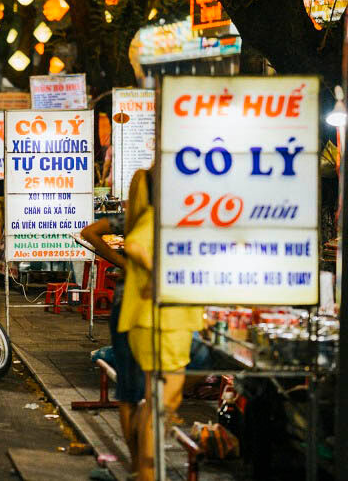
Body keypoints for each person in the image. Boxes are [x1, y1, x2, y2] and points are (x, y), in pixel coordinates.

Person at [119, 168, 203, 481]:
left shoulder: (167, 218)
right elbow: (134, 245)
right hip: (163, 323)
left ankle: (144, 470)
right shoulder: (158, 218)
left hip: (164, 321)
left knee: (159, 402)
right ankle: (148, 474)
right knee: (163, 403)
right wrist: (158, 273)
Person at [80, 211, 142, 454]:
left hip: (144, 306)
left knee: (135, 387)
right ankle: (138, 462)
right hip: (132, 305)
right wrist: (125, 263)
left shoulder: (136, 219)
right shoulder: (136, 218)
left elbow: (90, 232)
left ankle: (140, 461)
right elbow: (89, 232)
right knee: (133, 386)